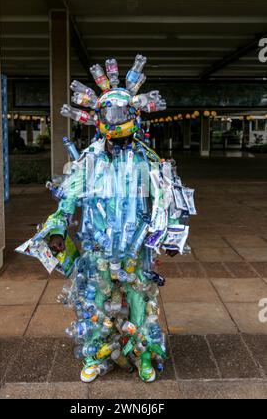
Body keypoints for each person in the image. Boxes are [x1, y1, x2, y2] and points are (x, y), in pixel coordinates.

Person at [18, 56, 196, 383]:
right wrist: (57, 226)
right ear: (98, 119)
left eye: (119, 114)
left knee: (140, 307)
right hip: (97, 251)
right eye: (108, 114)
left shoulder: (148, 160)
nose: (113, 121)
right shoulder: (90, 159)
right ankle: (95, 355)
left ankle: (144, 356)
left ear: (133, 116)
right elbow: (69, 196)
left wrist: (172, 236)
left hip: (136, 250)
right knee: (95, 305)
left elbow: (167, 200)